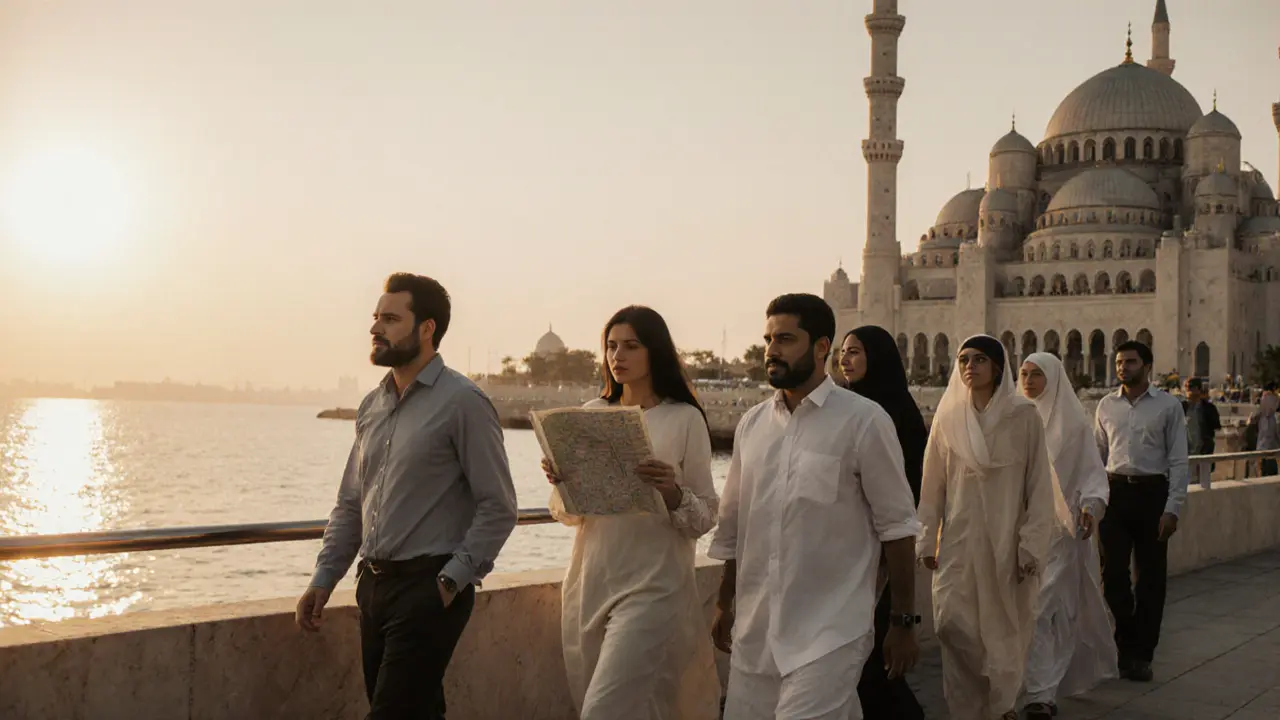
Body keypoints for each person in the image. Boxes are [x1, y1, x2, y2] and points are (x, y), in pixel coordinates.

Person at [296, 273, 519, 719]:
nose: (375, 328)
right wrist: (324, 578)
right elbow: (351, 504)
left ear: (427, 328)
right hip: (373, 587)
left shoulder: (463, 402)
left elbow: (499, 505)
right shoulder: (371, 405)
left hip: (428, 586)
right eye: (376, 317)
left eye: (391, 319)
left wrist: (449, 581)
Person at [710, 294, 922, 720]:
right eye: (769, 339)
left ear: (822, 346)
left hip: (831, 631)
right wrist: (724, 602)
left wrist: (902, 623)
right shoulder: (753, 426)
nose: (772, 350)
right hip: (756, 631)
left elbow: (898, 527)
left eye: (786, 339)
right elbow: (734, 525)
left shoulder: (864, 421)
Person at [542, 306, 721, 720]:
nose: (617, 356)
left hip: (654, 585)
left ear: (654, 351)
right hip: (593, 579)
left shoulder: (684, 418)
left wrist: (671, 491)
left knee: (603, 710)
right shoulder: (590, 413)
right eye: (611, 346)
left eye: (631, 346)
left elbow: (706, 515)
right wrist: (562, 480)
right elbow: (571, 515)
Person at [916, 334, 1055, 720]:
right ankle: (975, 706)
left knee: (1003, 631)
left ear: (997, 367)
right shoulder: (948, 418)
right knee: (950, 624)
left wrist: (1031, 545)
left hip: (1005, 543)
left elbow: (1039, 487)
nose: (969, 367)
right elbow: (932, 485)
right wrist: (926, 538)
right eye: (963, 360)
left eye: (979, 360)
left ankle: (999, 706)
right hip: (958, 543)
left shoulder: (1023, 416)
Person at [1018, 353, 1118, 720]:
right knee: (1030, 611)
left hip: (1062, 532)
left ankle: (1040, 694)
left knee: (1043, 608)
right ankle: (1034, 685)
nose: (1028, 381)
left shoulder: (1073, 426)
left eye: (1037, 375)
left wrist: (1091, 507)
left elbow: (1093, 475)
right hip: (1020, 532)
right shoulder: (1015, 420)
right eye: (1023, 374)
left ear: (1054, 379)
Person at [835, 326, 926, 720]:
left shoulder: (895, 414)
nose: (845, 359)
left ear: (879, 357)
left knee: (874, 664)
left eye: (855, 351)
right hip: (844, 555)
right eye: (843, 352)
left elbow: (907, 489)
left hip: (881, 552)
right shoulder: (845, 409)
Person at [1094, 340, 1188, 683]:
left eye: (1131, 362)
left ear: (1147, 366)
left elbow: (1178, 460)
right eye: (1120, 362)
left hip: (1152, 495)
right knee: (1112, 576)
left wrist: (1172, 508)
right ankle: (1128, 640)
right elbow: (1097, 456)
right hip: (1115, 493)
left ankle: (1140, 655)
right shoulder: (1106, 405)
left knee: (1150, 578)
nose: (1123, 367)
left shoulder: (1168, 406)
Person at [1244, 385, 1279, 477]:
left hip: (1265, 442)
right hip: (1269, 442)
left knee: (1262, 462)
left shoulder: (1264, 401)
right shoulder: (1274, 400)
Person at [1182, 377, 1221, 456]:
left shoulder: (1208, 408)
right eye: (1186, 388)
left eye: (1190, 387)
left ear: (1198, 389)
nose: (1188, 391)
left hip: (1204, 452)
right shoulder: (1181, 407)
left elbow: (1217, 426)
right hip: (1185, 453)